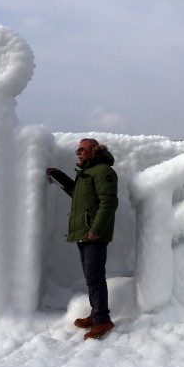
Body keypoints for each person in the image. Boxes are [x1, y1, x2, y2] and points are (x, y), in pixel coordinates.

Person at [47, 138, 118, 340]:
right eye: (77, 149)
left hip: (94, 234)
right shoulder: (86, 172)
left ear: (94, 150)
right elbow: (78, 195)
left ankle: (103, 320)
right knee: (91, 277)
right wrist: (59, 176)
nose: (78, 152)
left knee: (95, 277)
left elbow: (109, 202)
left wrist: (96, 230)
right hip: (84, 233)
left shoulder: (103, 171)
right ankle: (96, 315)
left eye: (82, 149)